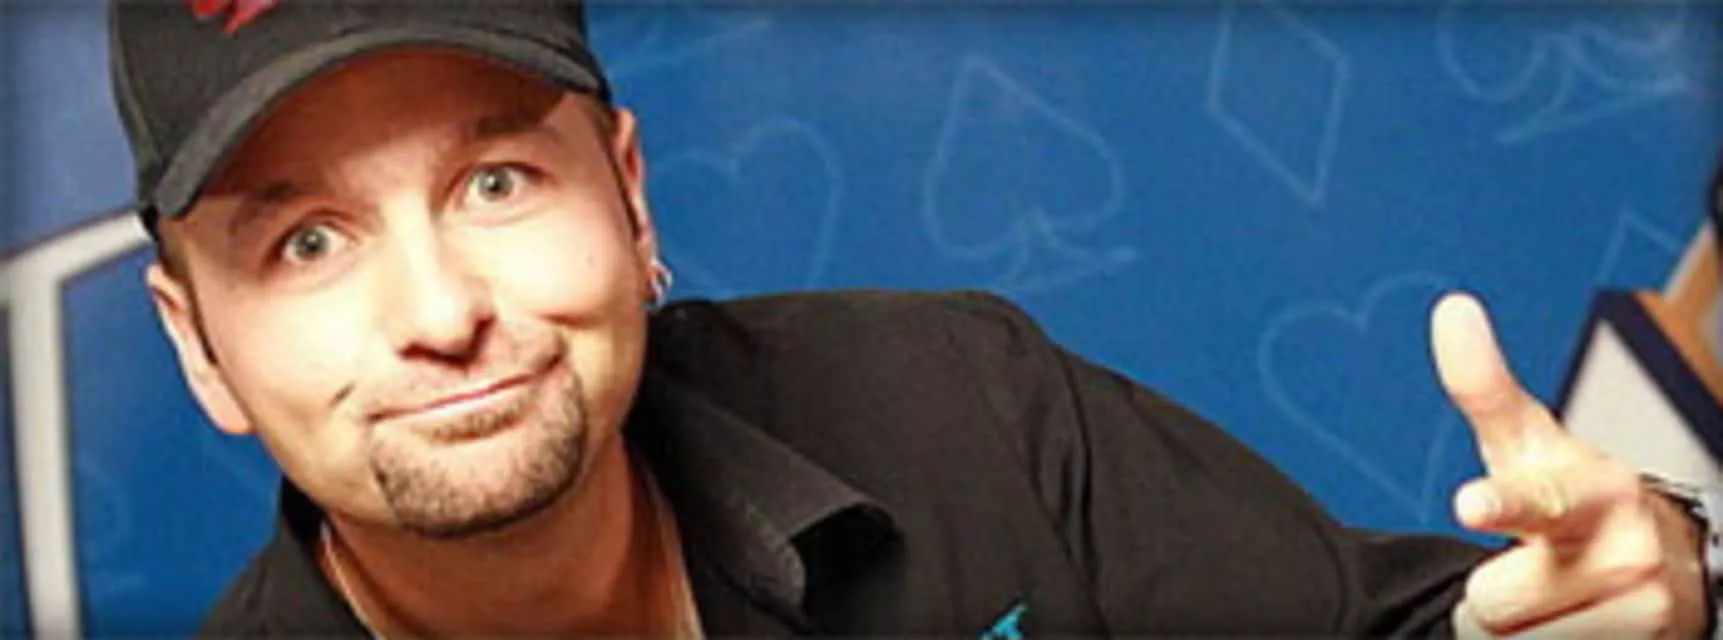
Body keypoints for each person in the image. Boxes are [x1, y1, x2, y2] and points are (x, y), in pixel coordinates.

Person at [106, 0, 1721, 636]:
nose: (441, 311)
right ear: (196, 345)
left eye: (497, 183)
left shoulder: (955, 403)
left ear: (631, 201)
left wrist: (1638, 592)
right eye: (306, 242)